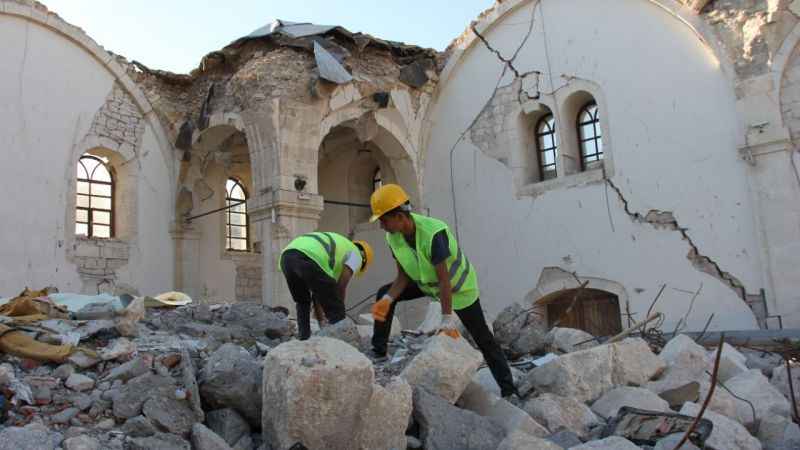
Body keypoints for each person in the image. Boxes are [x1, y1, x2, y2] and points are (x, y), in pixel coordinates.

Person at [368, 184, 518, 398]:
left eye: (384, 220)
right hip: (427, 285)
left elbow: (444, 279)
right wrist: (388, 299)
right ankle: (378, 351)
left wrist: (446, 318)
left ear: (400, 216)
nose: (382, 226)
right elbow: (402, 277)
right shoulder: (393, 237)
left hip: (459, 289)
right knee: (384, 293)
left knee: (483, 338)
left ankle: (509, 389)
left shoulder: (434, 233)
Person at [280, 232, 373, 340]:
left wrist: (321, 322)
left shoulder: (339, 249)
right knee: (336, 307)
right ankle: (341, 342)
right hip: (309, 256)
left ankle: (304, 337)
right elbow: (341, 285)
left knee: (302, 301)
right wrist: (339, 310)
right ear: (364, 259)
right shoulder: (357, 254)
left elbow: (318, 292)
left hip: (286, 258)